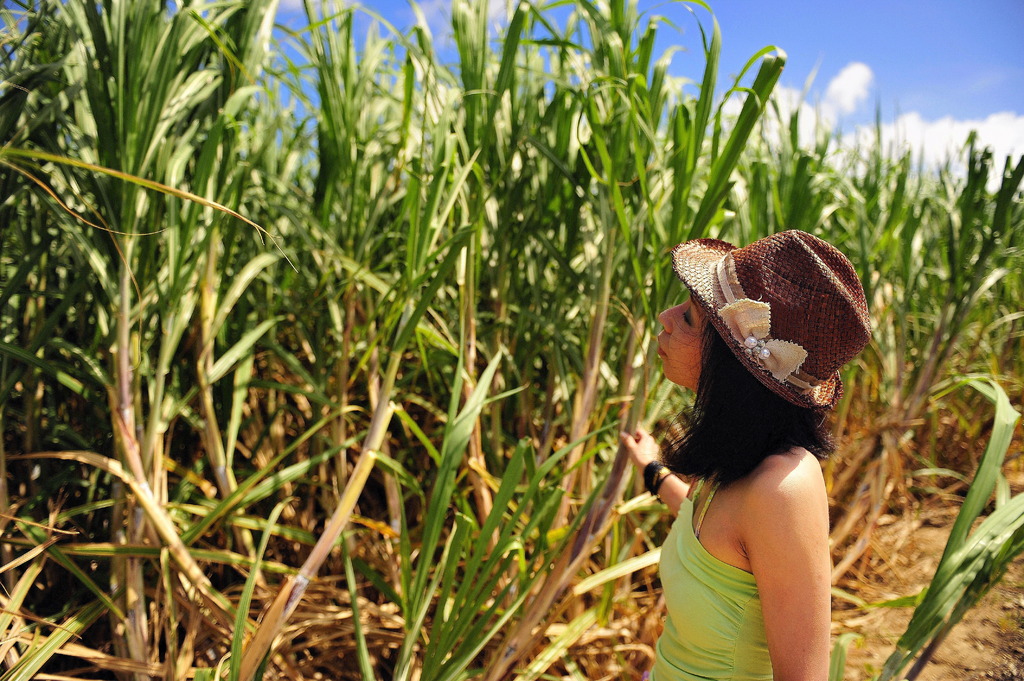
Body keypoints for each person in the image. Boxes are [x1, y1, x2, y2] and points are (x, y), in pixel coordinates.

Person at [620, 230, 871, 681]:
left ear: (736, 366)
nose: (665, 317)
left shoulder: (783, 488)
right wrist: (652, 469)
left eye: (691, 319)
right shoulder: (737, 463)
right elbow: (713, 540)